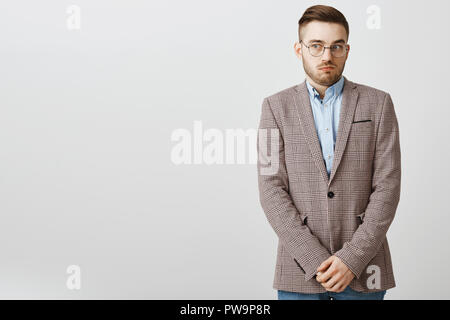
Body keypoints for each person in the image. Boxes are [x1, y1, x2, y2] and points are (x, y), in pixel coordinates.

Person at [257, 4, 401, 300]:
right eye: (316, 46)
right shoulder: (274, 108)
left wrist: (352, 259)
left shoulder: (379, 104)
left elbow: (388, 186)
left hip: (365, 269)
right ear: (299, 49)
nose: (327, 56)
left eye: (336, 46)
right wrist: (313, 258)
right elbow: (270, 189)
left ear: (347, 50)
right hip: (299, 270)